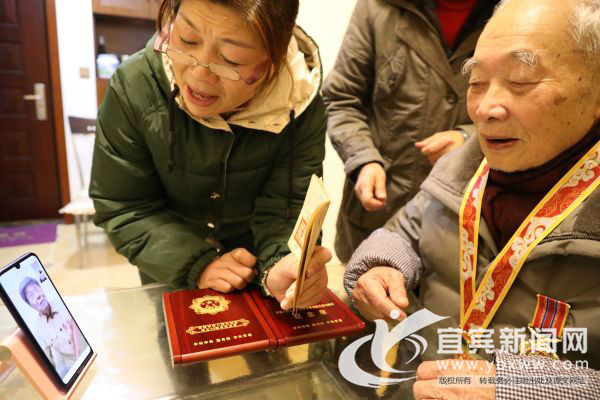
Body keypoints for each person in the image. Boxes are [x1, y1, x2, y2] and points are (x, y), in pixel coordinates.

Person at [344, 0, 600, 398]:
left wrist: (529, 389)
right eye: (476, 82)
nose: (484, 109)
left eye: (521, 80)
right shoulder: (463, 165)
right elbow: (404, 230)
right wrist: (382, 264)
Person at [90, 0, 330, 310]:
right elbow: (125, 206)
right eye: (187, 40)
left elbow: (288, 207)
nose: (200, 75)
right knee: (173, 337)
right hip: (170, 267)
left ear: (275, 60)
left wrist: (284, 264)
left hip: (259, 275)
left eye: (232, 60)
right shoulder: (135, 86)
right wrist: (196, 265)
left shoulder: (299, 101)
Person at [322, 0, 499, 262]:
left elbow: (531, 111)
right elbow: (341, 98)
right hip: (374, 218)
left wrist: (468, 137)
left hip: (461, 223)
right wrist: (364, 160)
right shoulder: (377, 8)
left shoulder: (512, 13)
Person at [19, 277, 85, 378]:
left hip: (90, 353)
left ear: (42, 289)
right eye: (31, 295)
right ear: (30, 305)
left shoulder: (63, 301)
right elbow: (49, 364)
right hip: (74, 372)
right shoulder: (37, 331)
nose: (37, 296)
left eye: (36, 289)